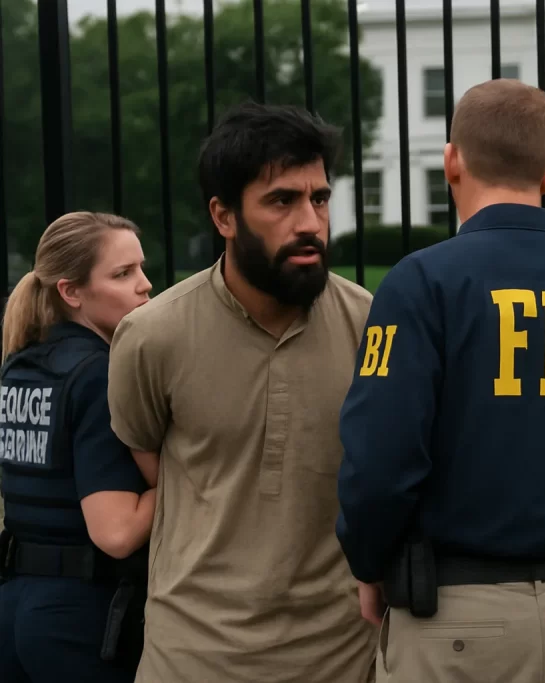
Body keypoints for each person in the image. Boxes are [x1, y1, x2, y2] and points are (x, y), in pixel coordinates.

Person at [334, 78, 545, 683]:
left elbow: (380, 462)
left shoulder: (420, 284)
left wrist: (369, 561)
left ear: (452, 161)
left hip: (453, 618)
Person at [106, 103, 377, 683]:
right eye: (282, 201)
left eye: (320, 199)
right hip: (193, 656)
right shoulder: (153, 336)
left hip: (342, 655)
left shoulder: (371, 326)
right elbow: (153, 462)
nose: (310, 222)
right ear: (223, 217)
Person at [0, 211, 153, 682]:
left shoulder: (21, 364)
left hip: (15, 608)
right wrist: (191, 475)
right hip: (78, 619)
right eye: (122, 274)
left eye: (141, 268)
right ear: (71, 292)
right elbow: (117, 532)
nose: (145, 285)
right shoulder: (97, 373)